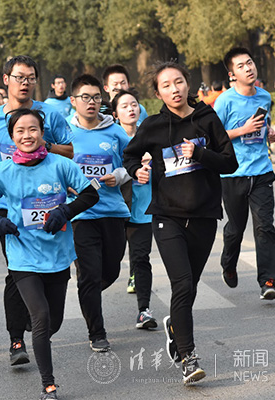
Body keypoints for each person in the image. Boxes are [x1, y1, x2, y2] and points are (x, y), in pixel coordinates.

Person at [123, 61, 237, 384]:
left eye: (179, 82)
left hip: (204, 216)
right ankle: (188, 357)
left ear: (188, 84)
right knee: (183, 284)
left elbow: (230, 162)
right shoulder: (153, 126)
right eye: (166, 85)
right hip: (167, 217)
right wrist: (137, 170)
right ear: (158, 93)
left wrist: (199, 154)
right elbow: (130, 155)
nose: (174, 89)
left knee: (190, 287)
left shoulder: (207, 118)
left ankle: (175, 325)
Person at [0, 108, 98, 400]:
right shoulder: (3, 171)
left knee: (51, 322)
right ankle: (48, 385)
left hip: (57, 254)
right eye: (20, 131)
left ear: (42, 134)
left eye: (33, 129)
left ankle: (34, 328)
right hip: (22, 255)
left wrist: (65, 211)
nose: (27, 135)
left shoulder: (61, 165)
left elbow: (90, 193)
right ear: (12, 137)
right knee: (42, 316)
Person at [0, 55, 74, 366]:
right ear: (6, 80)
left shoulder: (50, 114)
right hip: (10, 210)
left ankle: (40, 321)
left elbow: (70, 151)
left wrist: (41, 144)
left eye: (31, 77)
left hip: (47, 206)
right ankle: (16, 338)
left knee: (47, 279)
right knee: (16, 272)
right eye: (19, 77)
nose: (25, 83)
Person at [68, 74, 131, 352]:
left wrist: (119, 175)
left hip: (113, 211)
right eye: (85, 97)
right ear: (74, 101)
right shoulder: (65, 133)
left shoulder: (115, 131)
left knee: (111, 270)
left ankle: (88, 290)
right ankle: (97, 333)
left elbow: (133, 161)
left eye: (96, 97)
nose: (91, 102)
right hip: (81, 215)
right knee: (90, 275)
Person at [215, 47, 275, 300]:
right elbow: (213, 137)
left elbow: (264, 125)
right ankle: (228, 263)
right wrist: (242, 130)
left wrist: (269, 132)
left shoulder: (264, 96)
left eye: (250, 62)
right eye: (241, 66)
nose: (248, 68)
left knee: (265, 226)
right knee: (236, 229)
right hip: (233, 174)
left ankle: (268, 280)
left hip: (262, 171)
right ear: (232, 74)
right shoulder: (225, 101)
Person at [111, 89, 156, 329]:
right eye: (124, 106)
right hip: (115, 208)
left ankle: (144, 310)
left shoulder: (150, 136)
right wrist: (133, 168)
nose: (131, 109)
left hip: (143, 210)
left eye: (134, 104)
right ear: (115, 113)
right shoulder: (110, 139)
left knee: (141, 258)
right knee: (110, 263)